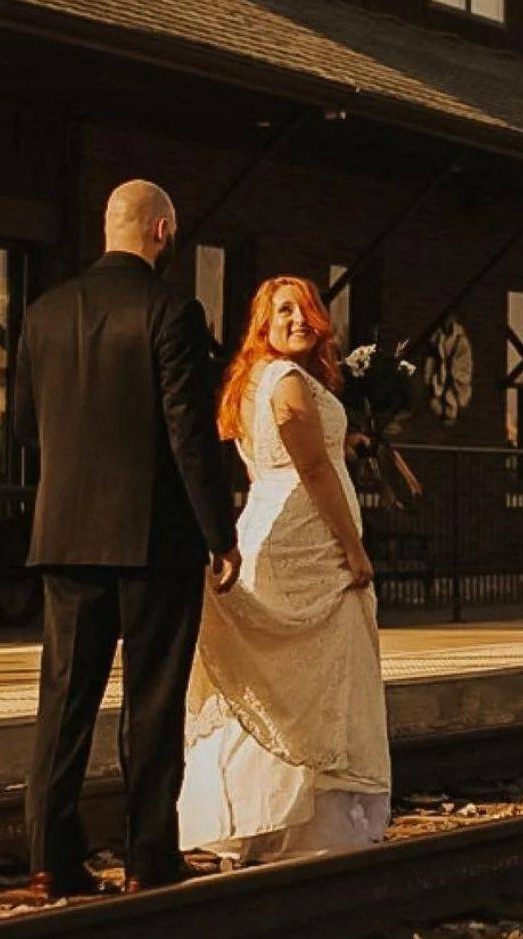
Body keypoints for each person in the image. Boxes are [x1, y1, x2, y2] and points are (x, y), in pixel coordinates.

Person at [12, 180, 239, 898]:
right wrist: (220, 534)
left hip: (64, 536)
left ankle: (51, 856)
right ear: (163, 231)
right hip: (153, 541)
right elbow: (189, 437)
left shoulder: (44, 314)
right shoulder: (172, 311)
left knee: (65, 698)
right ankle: (147, 856)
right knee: (151, 701)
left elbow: (22, 426)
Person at [178, 277, 391, 861]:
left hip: (273, 527)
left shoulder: (257, 379)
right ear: (263, 325)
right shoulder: (290, 382)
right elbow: (315, 471)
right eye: (284, 311)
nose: (298, 319)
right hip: (306, 547)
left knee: (277, 682)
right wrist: (353, 547)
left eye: (306, 310)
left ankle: (257, 818)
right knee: (308, 680)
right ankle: (293, 825)